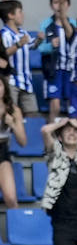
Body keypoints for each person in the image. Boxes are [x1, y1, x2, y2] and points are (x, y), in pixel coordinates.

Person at [0, 76, 27, 209]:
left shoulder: (14, 110)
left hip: (2, 150)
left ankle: (18, 229)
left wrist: (12, 124)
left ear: (4, 88)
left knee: (11, 198)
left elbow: (22, 141)